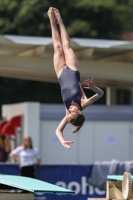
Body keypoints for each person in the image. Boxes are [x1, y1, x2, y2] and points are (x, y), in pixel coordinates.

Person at [47, 7, 104, 149]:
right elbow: (101, 94)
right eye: (70, 113)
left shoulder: (69, 114)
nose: (67, 112)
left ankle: (51, 21)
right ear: (78, 112)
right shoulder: (83, 104)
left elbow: (58, 130)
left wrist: (62, 141)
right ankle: (59, 20)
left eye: (68, 115)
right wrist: (93, 88)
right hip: (73, 70)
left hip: (61, 73)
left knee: (58, 47)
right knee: (66, 45)